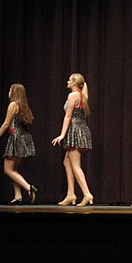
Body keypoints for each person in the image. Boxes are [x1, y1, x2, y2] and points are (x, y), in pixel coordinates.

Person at [0, 83, 38, 205]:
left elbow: (6, 124)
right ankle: (17, 196)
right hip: (24, 138)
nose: (8, 92)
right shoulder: (24, 106)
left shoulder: (13, 105)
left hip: (16, 138)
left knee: (7, 170)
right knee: (13, 169)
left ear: (14, 92)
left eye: (10, 90)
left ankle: (29, 188)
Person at [51, 73, 94, 207]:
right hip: (80, 128)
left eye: (70, 80)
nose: (67, 81)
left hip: (75, 129)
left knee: (75, 164)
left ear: (75, 83)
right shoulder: (81, 95)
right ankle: (71, 194)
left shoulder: (73, 95)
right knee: (67, 162)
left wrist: (62, 135)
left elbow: (68, 116)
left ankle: (87, 194)